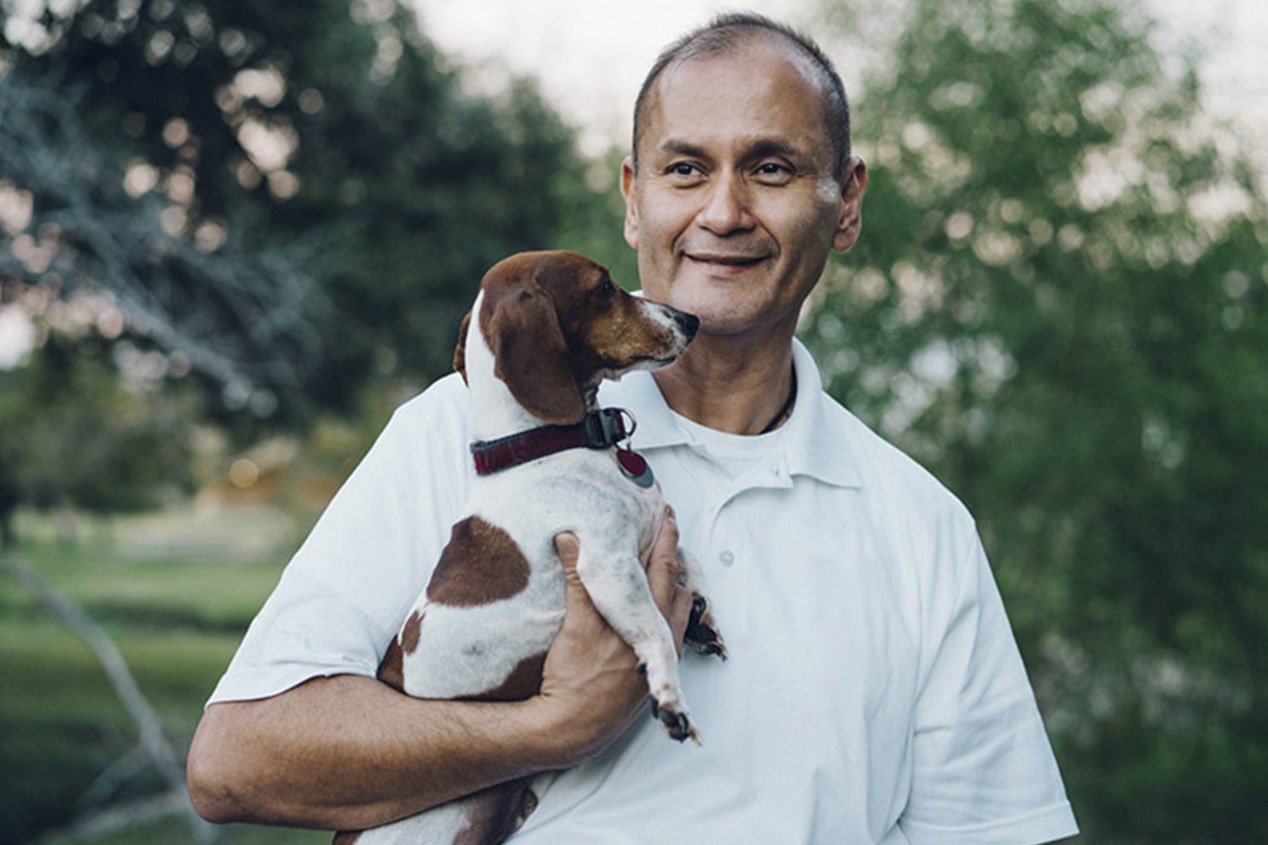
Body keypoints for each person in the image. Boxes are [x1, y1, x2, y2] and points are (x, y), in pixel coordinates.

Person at [188, 13, 1079, 844]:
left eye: (770, 168)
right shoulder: (455, 438)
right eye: (685, 168)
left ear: (844, 203)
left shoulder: (924, 529)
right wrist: (556, 725)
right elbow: (236, 762)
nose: (723, 212)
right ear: (632, 196)